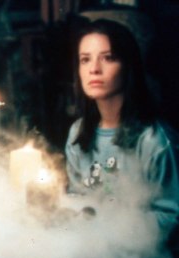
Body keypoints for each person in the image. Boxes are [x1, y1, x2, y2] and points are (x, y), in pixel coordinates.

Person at [65, 19, 179, 235]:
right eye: (85, 60)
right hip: (92, 247)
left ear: (128, 66)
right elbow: (77, 198)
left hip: (143, 252)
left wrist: (113, 232)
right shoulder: (77, 133)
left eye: (108, 58)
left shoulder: (155, 140)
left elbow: (171, 217)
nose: (94, 69)